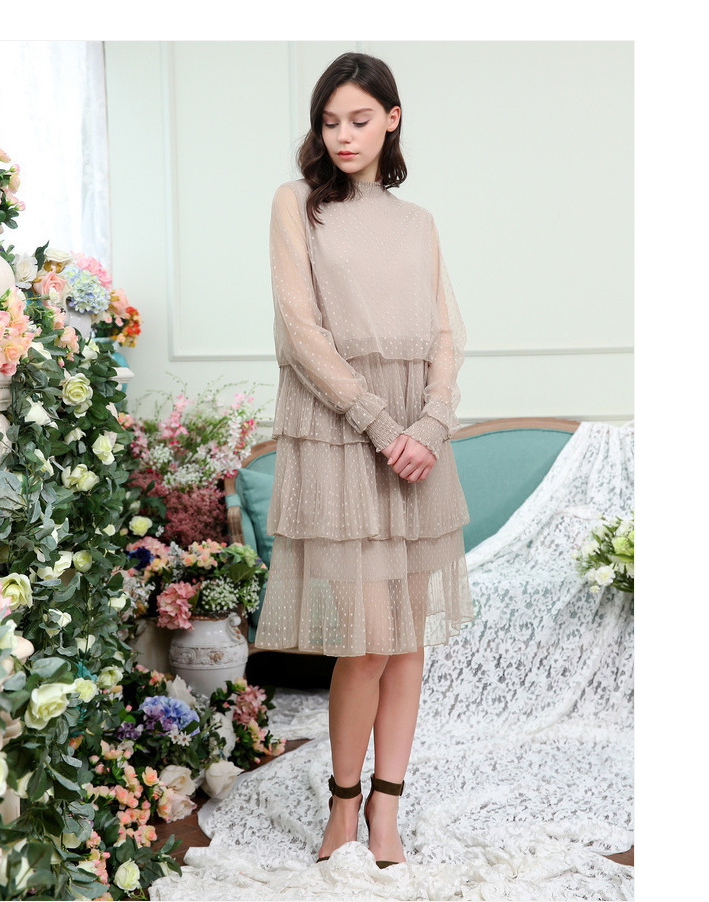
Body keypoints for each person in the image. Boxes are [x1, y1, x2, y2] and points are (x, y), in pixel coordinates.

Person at [254, 51, 474, 869]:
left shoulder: (418, 223)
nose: (342, 135)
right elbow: (299, 330)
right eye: (329, 121)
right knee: (367, 640)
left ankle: (388, 809)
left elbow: (447, 333)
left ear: (392, 118)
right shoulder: (296, 205)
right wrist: (383, 426)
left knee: (407, 638)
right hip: (344, 437)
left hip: (417, 442)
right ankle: (342, 807)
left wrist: (434, 424)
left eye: (358, 119)